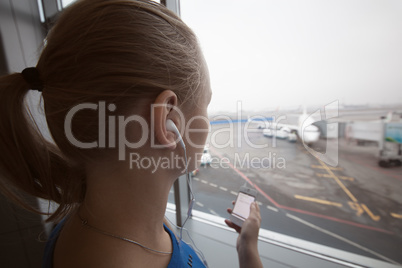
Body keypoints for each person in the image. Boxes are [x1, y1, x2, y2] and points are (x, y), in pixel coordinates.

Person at [0, 0, 263, 267]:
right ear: (169, 119)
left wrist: (245, 246)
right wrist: (251, 255)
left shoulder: (111, 219)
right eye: (206, 103)